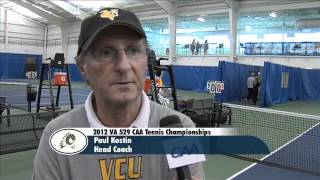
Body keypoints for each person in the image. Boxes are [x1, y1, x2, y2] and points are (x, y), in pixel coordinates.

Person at [33, 8, 204, 180]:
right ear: (82, 66)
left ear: (146, 61)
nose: (123, 66)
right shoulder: (56, 136)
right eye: (106, 52)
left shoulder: (180, 130)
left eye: (133, 50)